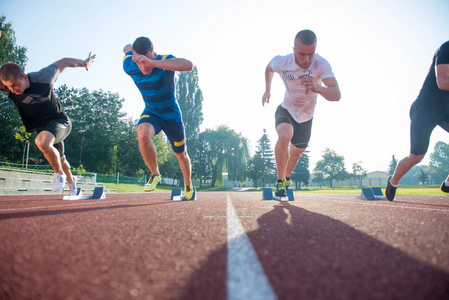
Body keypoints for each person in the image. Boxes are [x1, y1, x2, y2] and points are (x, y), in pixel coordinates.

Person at [0, 53, 95, 195]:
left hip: (60, 122)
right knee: (61, 159)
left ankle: (59, 175)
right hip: (43, 128)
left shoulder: (43, 77)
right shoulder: (8, 86)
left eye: (16, 85)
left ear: (25, 77)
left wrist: (84, 63)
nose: (13, 90)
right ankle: (71, 183)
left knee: (41, 142)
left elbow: (64, 62)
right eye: (9, 87)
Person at [262, 29, 341, 197]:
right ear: (294, 50)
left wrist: (317, 87)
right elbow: (268, 68)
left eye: (311, 55)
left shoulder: (321, 64)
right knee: (285, 136)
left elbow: (337, 94)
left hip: (306, 116)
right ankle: (280, 180)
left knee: (297, 152)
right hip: (286, 109)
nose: (306, 60)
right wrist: (267, 90)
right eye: (302, 54)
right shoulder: (282, 62)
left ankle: (287, 177)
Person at [123, 37, 195, 199]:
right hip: (152, 112)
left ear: (153, 54)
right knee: (142, 133)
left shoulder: (164, 61)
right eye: (139, 62)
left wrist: (153, 63)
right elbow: (127, 48)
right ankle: (155, 174)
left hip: (171, 116)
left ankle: (188, 184)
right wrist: (131, 52)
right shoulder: (129, 64)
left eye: (145, 61)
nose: (143, 67)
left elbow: (188, 65)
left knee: (181, 154)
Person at [386, 41, 449, 200]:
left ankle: (447, 184)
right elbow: (443, 81)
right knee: (416, 157)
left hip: (446, 110)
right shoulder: (446, 48)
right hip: (425, 109)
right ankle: (393, 181)